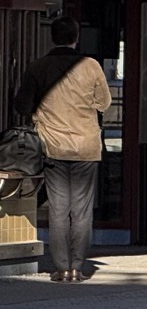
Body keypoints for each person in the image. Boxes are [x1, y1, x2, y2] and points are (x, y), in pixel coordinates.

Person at [10, 16, 109, 282]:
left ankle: (62, 267)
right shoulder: (91, 66)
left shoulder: (38, 67)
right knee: (82, 210)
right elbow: (104, 102)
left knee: (58, 208)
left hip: (52, 145)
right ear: (76, 37)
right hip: (86, 146)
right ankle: (77, 267)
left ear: (52, 37)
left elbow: (22, 106)